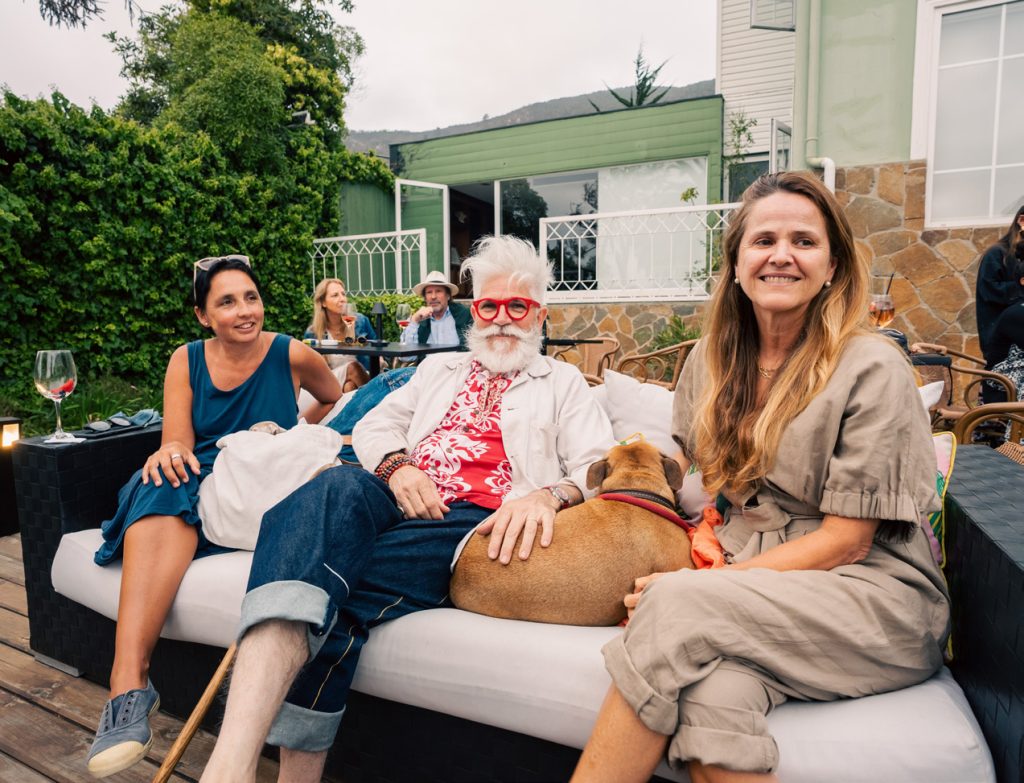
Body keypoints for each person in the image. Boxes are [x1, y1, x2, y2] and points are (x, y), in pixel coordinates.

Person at [571, 172, 949, 783]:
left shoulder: (872, 366)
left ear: (832, 266)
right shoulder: (709, 359)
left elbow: (847, 542)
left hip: (872, 595)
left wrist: (703, 587)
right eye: (764, 240)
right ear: (737, 264)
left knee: (674, 606)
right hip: (764, 587)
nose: (781, 255)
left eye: (804, 241)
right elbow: (697, 471)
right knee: (712, 697)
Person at [200, 236, 614, 782]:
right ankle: (232, 765)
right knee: (334, 486)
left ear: (539, 315)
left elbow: (599, 464)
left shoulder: (561, 382)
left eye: (518, 306)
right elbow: (375, 425)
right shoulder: (440, 369)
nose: (501, 319)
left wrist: (547, 495)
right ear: (474, 312)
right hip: (397, 492)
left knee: (334, 598)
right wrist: (398, 467)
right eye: (489, 305)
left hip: (469, 522)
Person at [86, 256, 341, 778]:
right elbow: (178, 440)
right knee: (163, 478)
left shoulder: (291, 352)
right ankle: (128, 687)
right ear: (204, 316)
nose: (245, 311)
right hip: (199, 476)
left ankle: (129, 688)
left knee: (170, 484)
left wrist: (295, 433)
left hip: (257, 482)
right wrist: (169, 452)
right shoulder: (186, 359)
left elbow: (335, 400)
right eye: (227, 302)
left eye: (251, 297)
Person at [304, 277, 375, 388]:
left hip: (362, 375)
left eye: (343, 294)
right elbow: (308, 367)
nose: (342, 299)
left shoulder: (361, 321)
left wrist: (381, 359)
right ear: (323, 302)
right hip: (331, 379)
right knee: (353, 367)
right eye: (335, 295)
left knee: (349, 386)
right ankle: (376, 396)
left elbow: (377, 348)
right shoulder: (313, 332)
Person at [976, 205, 1024, 370]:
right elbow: (989, 290)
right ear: (1021, 221)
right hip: (1004, 348)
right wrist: (1019, 288)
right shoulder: (996, 253)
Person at [399, 268, 473, 347]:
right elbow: (407, 352)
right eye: (429, 292)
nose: (433, 297)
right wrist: (414, 320)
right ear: (425, 298)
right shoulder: (420, 320)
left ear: (448, 296)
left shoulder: (464, 315)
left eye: (438, 291)